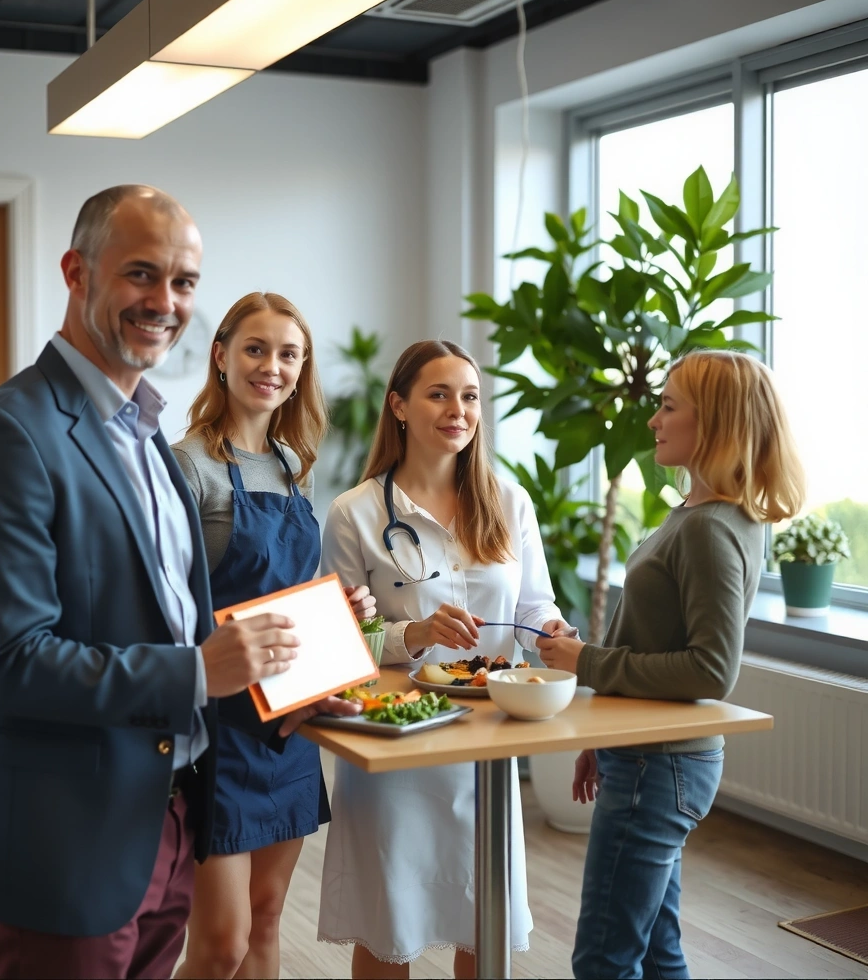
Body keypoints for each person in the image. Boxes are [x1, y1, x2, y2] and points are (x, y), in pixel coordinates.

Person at [0, 184, 356, 980]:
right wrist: (201, 671)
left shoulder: (148, 440)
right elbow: (9, 663)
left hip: (171, 812)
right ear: (76, 271)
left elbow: (181, 619)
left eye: (184, 282)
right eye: (141, 275)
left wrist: (297, 678)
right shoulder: (6, 435)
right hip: (64, 840)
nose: (164, 301)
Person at [534, 349, 806, 980]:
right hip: (647, 757)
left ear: (710, 421)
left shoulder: (711, 527)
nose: (654, 420)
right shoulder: (698, 515)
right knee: (658, 953)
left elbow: (710, 671)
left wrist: (587, 662)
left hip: (661, 765)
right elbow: (655, 637)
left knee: (604, 959)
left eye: (668, 406)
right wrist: (602, 731)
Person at [314, 339, 576, 980]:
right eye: (439, 394)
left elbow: (539, 605)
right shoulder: (355, 514)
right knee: (388, 923)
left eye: (469, 396)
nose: (458, 409)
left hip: (489, 736)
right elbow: (339, 641)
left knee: (480, 916)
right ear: (399, 406)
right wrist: (415, 633)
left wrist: (555, 631)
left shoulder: (509, 502)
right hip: (397, 734)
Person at [170, 292, 376, 980]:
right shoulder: (187, 464)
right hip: (217, 726)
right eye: (256, 349)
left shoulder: (293, 465)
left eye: (289, 354)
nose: (273, 366)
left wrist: (340, 607)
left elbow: (287, 594)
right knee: (221, 942)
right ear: (221, 356)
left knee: (265, 918)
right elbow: (166, 606)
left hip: (285, 723)